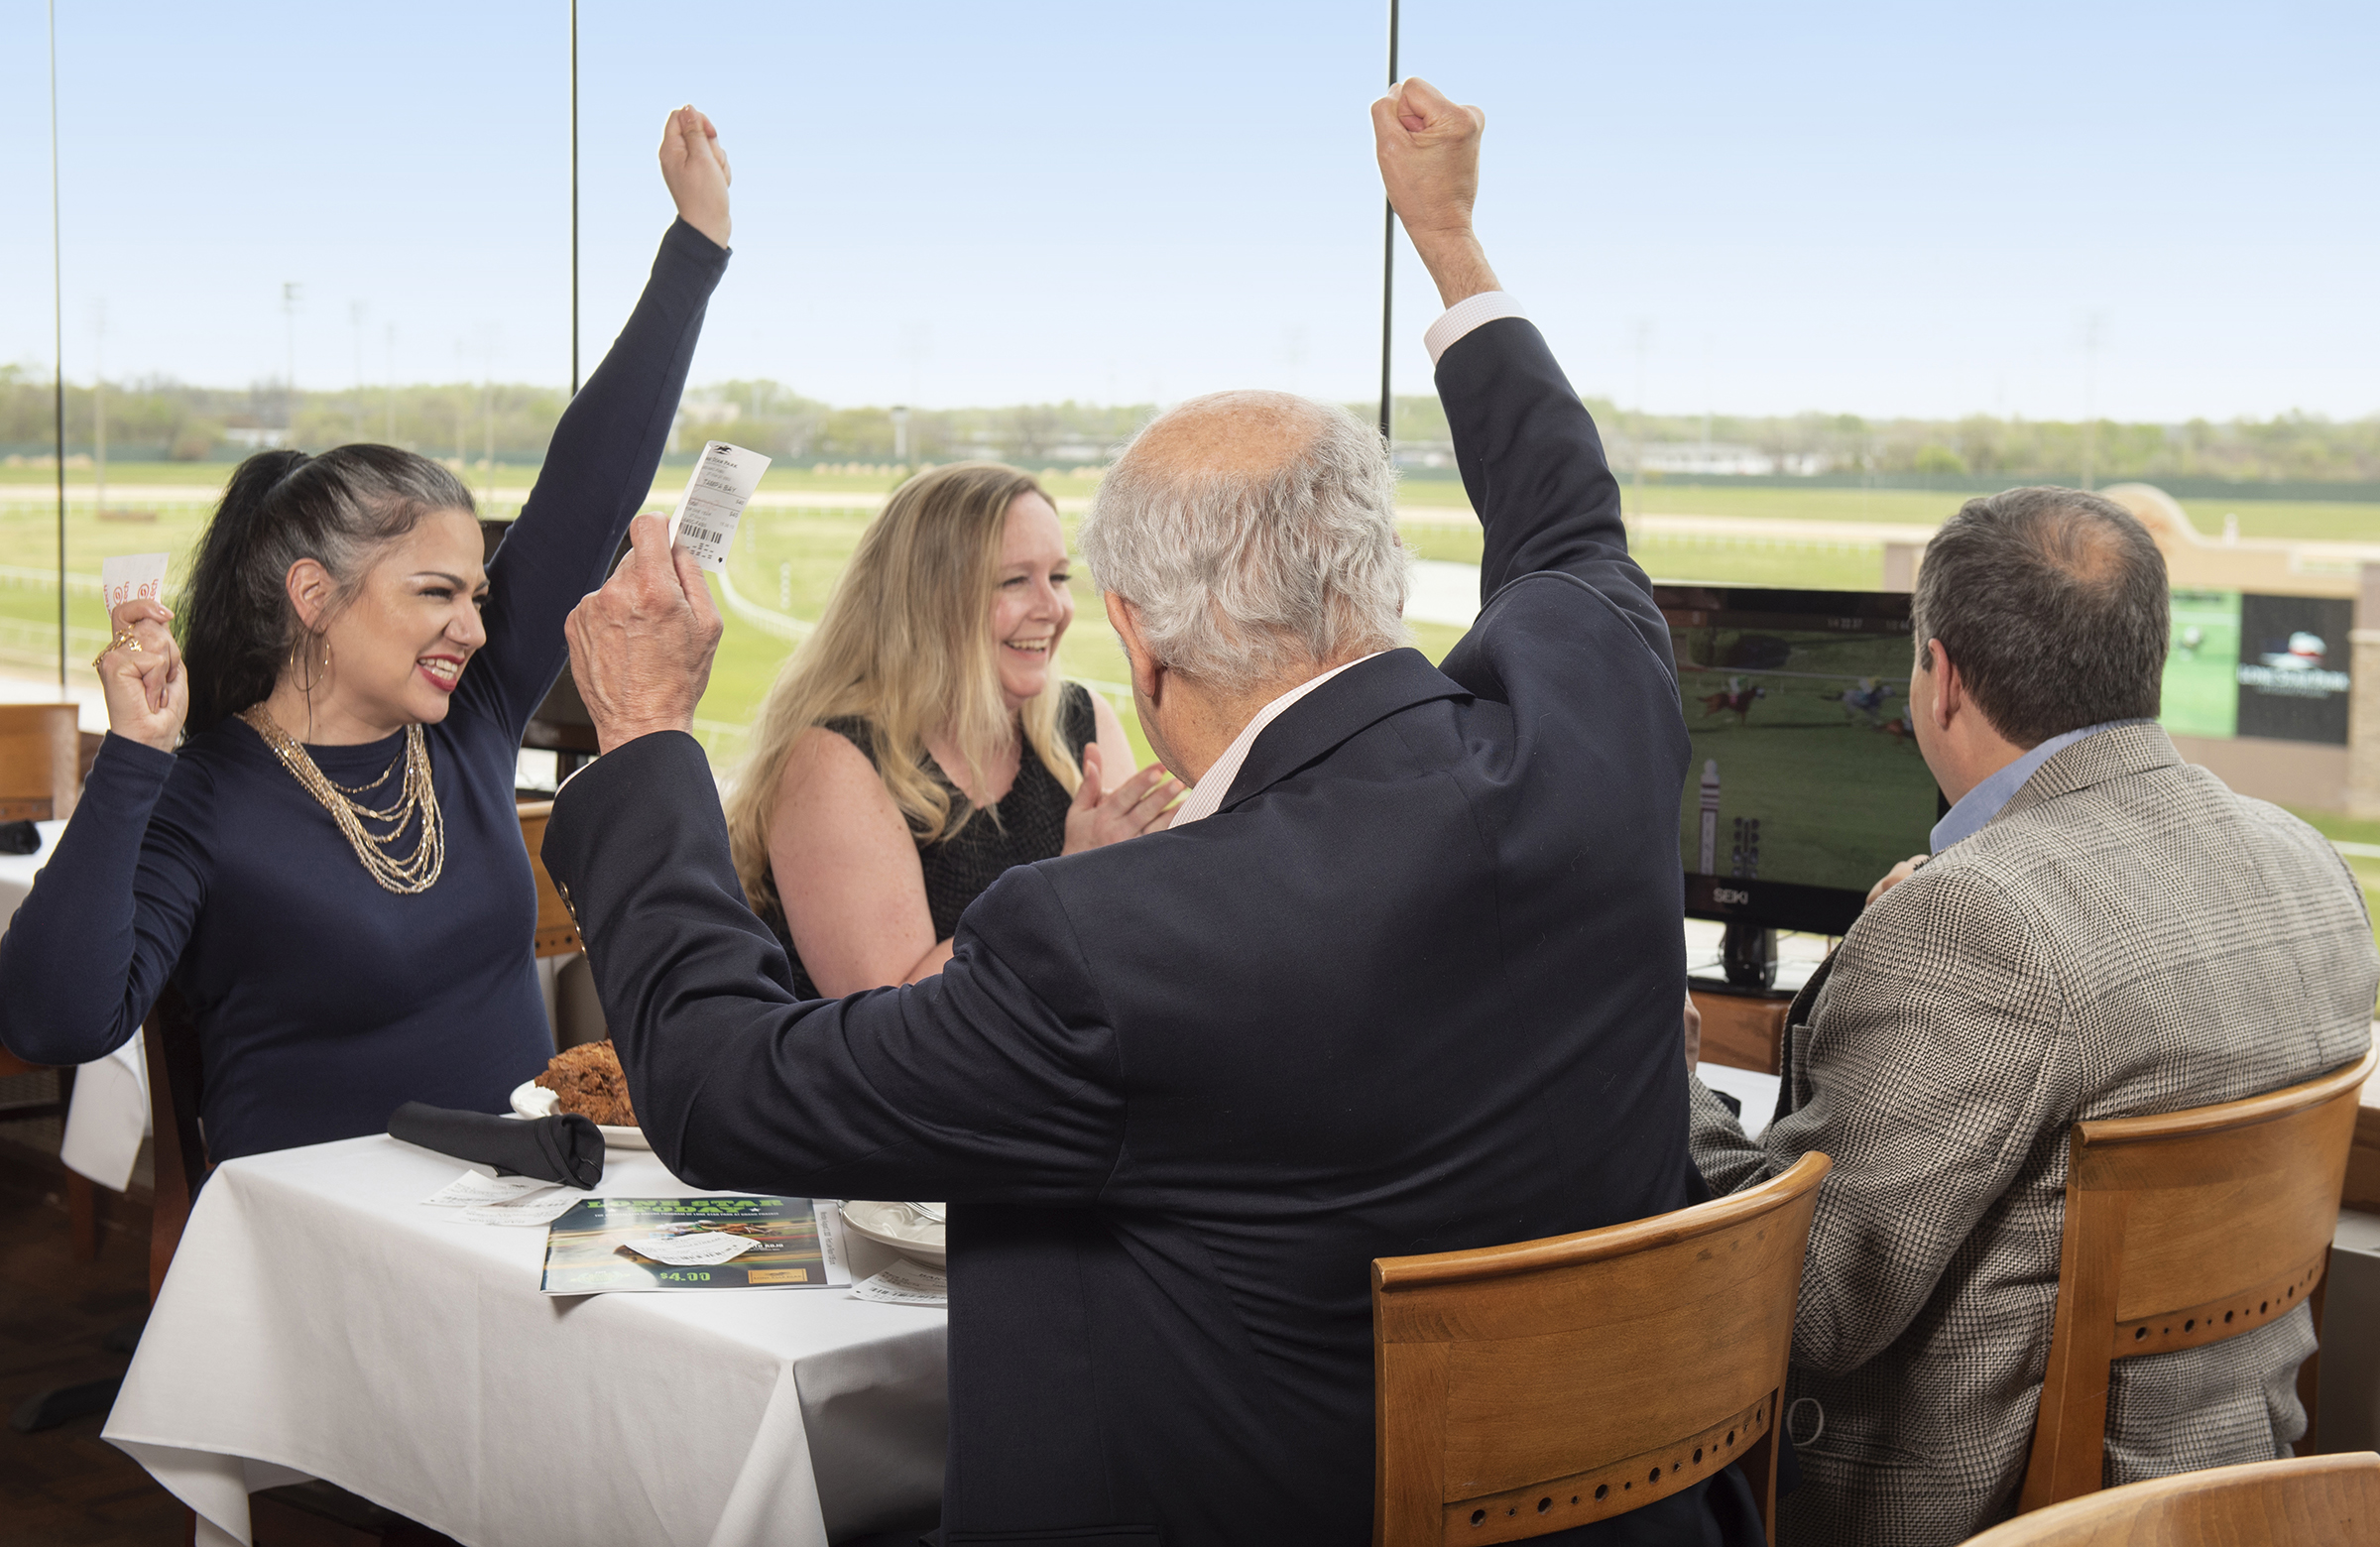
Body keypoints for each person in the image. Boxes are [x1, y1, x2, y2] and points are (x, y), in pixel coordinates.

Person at [536, 80, 1759, 1547]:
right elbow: (1569, 524)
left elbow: (728, 1090)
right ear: (1372, 576)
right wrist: (1450, 241)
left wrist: (648, 728)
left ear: (1135, 631)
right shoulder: (1603, 723)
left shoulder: (1117, 941)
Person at [0, 108, 737, 1164]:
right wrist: (131, 762)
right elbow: (53, 1023)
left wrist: (695, 248)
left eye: (479, 595)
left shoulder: (467, 722)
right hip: (326, 1252)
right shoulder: (198, 793)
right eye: (437, 592)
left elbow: (586, 486)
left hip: (520, 1213)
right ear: (314, 595)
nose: (476, 628)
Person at [1684, 487, 2380, 1546]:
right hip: (2241, 1489)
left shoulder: (1976, 923)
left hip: (1988, 1519)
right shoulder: (2304, 864)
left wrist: (1658, 1065)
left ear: (1944, 678)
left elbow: (1812, 1300)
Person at [722, 461, 1176, 998]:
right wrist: (1069, 878)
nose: (1054, 608)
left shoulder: (1082, 719)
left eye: (1058, 577)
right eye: (1014, 581)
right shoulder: (833, 761)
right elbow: (888, 1021)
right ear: (930, 601)